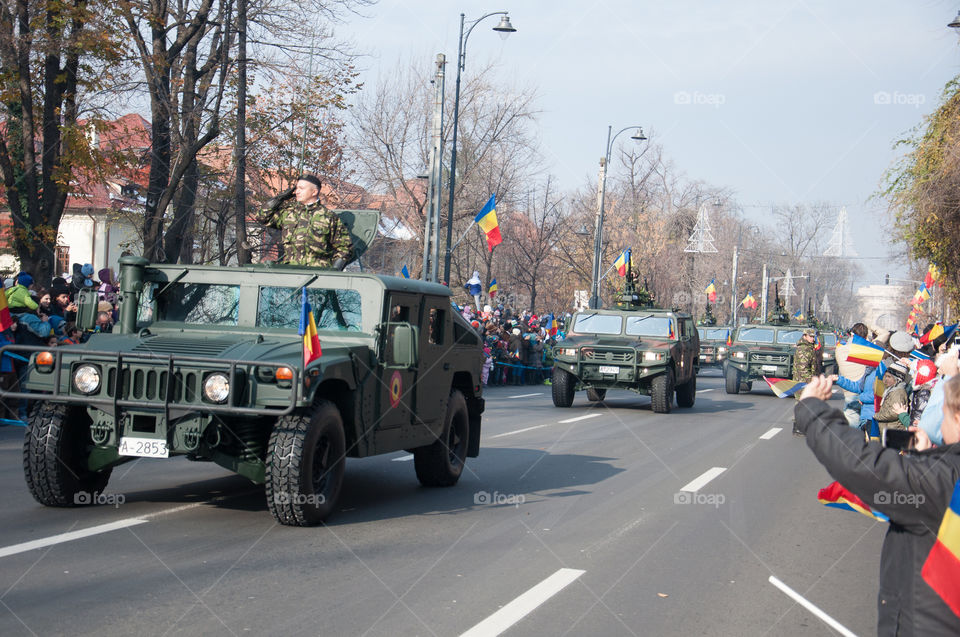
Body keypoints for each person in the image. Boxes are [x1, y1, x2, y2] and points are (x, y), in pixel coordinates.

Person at [794, 375, 960, 636]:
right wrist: (927, 457)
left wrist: (812, 410)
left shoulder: (944, 479)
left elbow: (863, 466)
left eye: (945, 412)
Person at [257, 174, 353, 269]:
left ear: (314, 192)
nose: (296, 192)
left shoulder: (328, 217)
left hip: (317, 274)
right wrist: (280, 198)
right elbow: (262, 217)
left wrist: (332, 272)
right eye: (296, 188)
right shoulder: (288, 213)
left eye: (301, 188)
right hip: (290, 272)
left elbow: (345, 248)